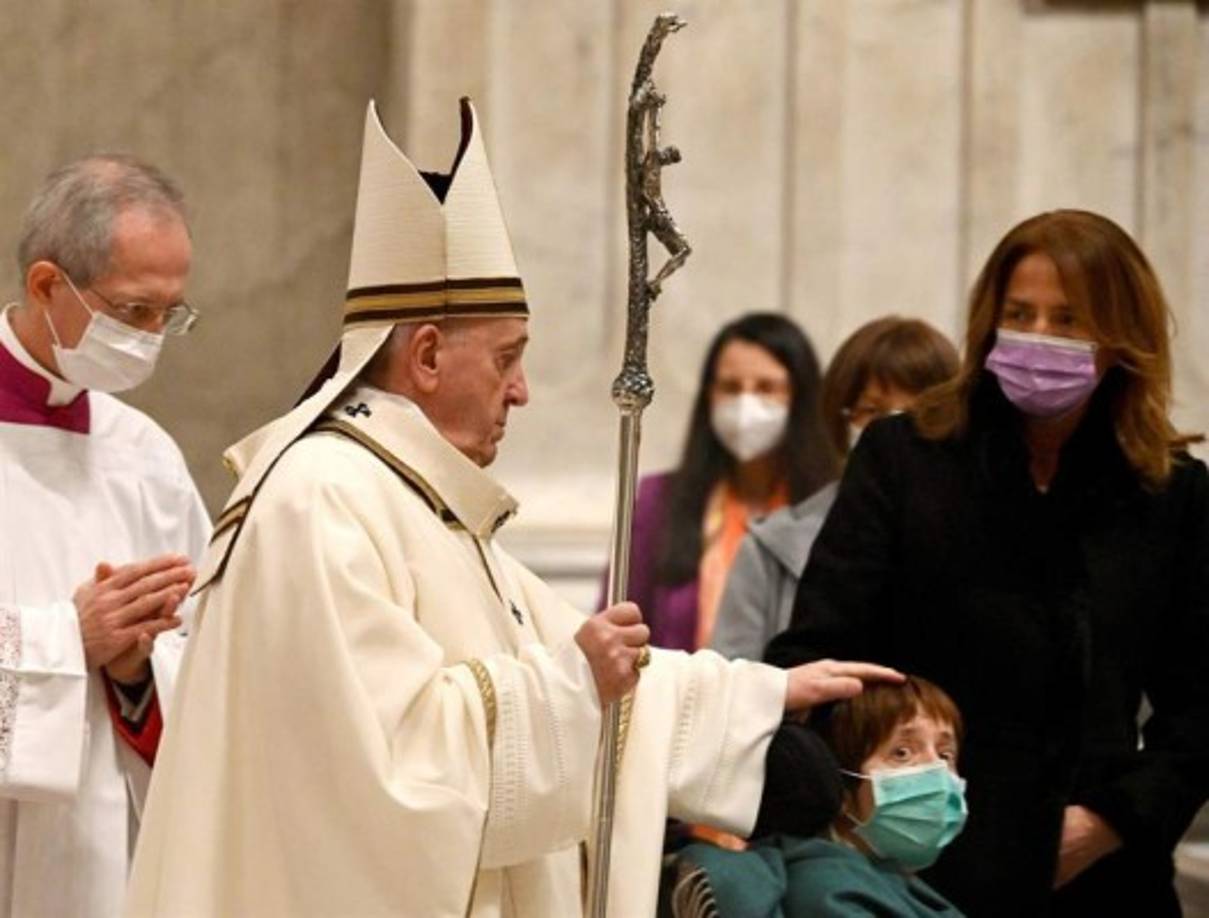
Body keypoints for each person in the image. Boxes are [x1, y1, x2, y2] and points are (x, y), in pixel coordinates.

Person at [124, 98, 900, 918]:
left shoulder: (426, 507)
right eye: (506, 359)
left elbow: (584, 660)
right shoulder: (320, 501)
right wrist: (569, 689)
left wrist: (755, 698)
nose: (521, 391)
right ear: (424, 354)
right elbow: (387, 775)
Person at [766, 209, 1209, 916]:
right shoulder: (903, 457)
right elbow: (819, 652)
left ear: (1120, 338)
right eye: (1019, 313)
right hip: (912, 859)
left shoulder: (1169, 492)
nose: (1039, 337)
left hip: (1100, 869)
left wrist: (1112, 822)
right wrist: (871, 798)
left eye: (1067, 320)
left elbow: (1197, 709)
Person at [0, 155, 208, 916]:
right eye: (132, 312)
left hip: (102, 863)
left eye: (169, 314)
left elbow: (206, 655)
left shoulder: (143, 455)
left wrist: (134, 675)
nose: (152, 337)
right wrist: (67, 639)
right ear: (48, 286)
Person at [712, 317, 958, 661]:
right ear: (840, 421)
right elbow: (733, 690)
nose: (891, 435)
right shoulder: (769, 549)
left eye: (915, 414)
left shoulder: (977, 534)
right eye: (872, 412)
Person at [613, 312, 837, 653]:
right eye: (731, 388)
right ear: (709, 396)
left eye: (767, 388)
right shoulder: (659, 500)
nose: (746, 404)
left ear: (801, 398)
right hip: (678, 700)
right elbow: (618, 623)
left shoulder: (827, 508)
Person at [673, 675, 968, 917]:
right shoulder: (831, 892)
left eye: (945, 754)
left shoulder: (885, 879)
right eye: (902, 753)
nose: (936, 769)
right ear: (841, 785)